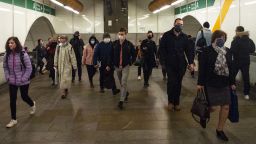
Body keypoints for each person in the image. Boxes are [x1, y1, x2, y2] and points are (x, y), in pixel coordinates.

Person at [197, 30, 236, 141]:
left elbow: (231, 68)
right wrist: (200, 83)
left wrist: (232, 82)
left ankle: (220, 130)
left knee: (226, 106)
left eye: (223, 38)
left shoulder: (228, 51)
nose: (221, 40)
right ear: (214, 38)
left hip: (224, 83)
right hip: (210, 82)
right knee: (212, 107)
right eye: (219, 37)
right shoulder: (207, 51)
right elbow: (202, 68)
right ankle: (204, 115)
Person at [159, 18, 194, 111]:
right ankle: (170, 102)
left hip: (181, 64)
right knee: (171, 83)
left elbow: (189, 51)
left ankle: (177, 102)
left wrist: (191, 63)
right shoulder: (166, 35)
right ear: (174, 24)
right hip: (169, 64)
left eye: (181, 24)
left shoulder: (184, 37)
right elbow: (161, 50)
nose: (180, 26)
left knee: (178, 83)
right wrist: (162, 62)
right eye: (178, 24)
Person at [3, 37, 36, 128]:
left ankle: (32, 104)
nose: (10, 44)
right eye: (9, 43)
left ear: (16, 44)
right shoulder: (7, 54)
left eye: (12, 43)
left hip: (23, 80)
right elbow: (5, 67)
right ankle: (13, 119)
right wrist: (7, 77)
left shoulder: (23, 54)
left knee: (24, 96)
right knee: (12, 100)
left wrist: (23, 78)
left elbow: (29, 68)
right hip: (12, 81)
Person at [108, 28, 136, 110]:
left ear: (125, 34)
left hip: (125, 66)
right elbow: (111, 55)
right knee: (121, 82)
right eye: (120, 34)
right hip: (117, 66)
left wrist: (131, 62)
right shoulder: (114, 44)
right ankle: (126, 93)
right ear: (118, 34)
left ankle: (121, 101)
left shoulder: (129, 44)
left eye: (122, 34)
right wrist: (110, 64)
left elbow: (134, 54)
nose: (121, 35)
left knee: (123, 82)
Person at [230, 26, 255, 100]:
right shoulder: (249, 40)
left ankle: (232, 89)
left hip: (236, 61)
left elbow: (232, 50)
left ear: (238, 32)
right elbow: (252, 49)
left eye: (236, 30)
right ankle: (246, 94)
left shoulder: (235, 40)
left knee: (232, 75)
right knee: (246, 77)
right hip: (245, 61)